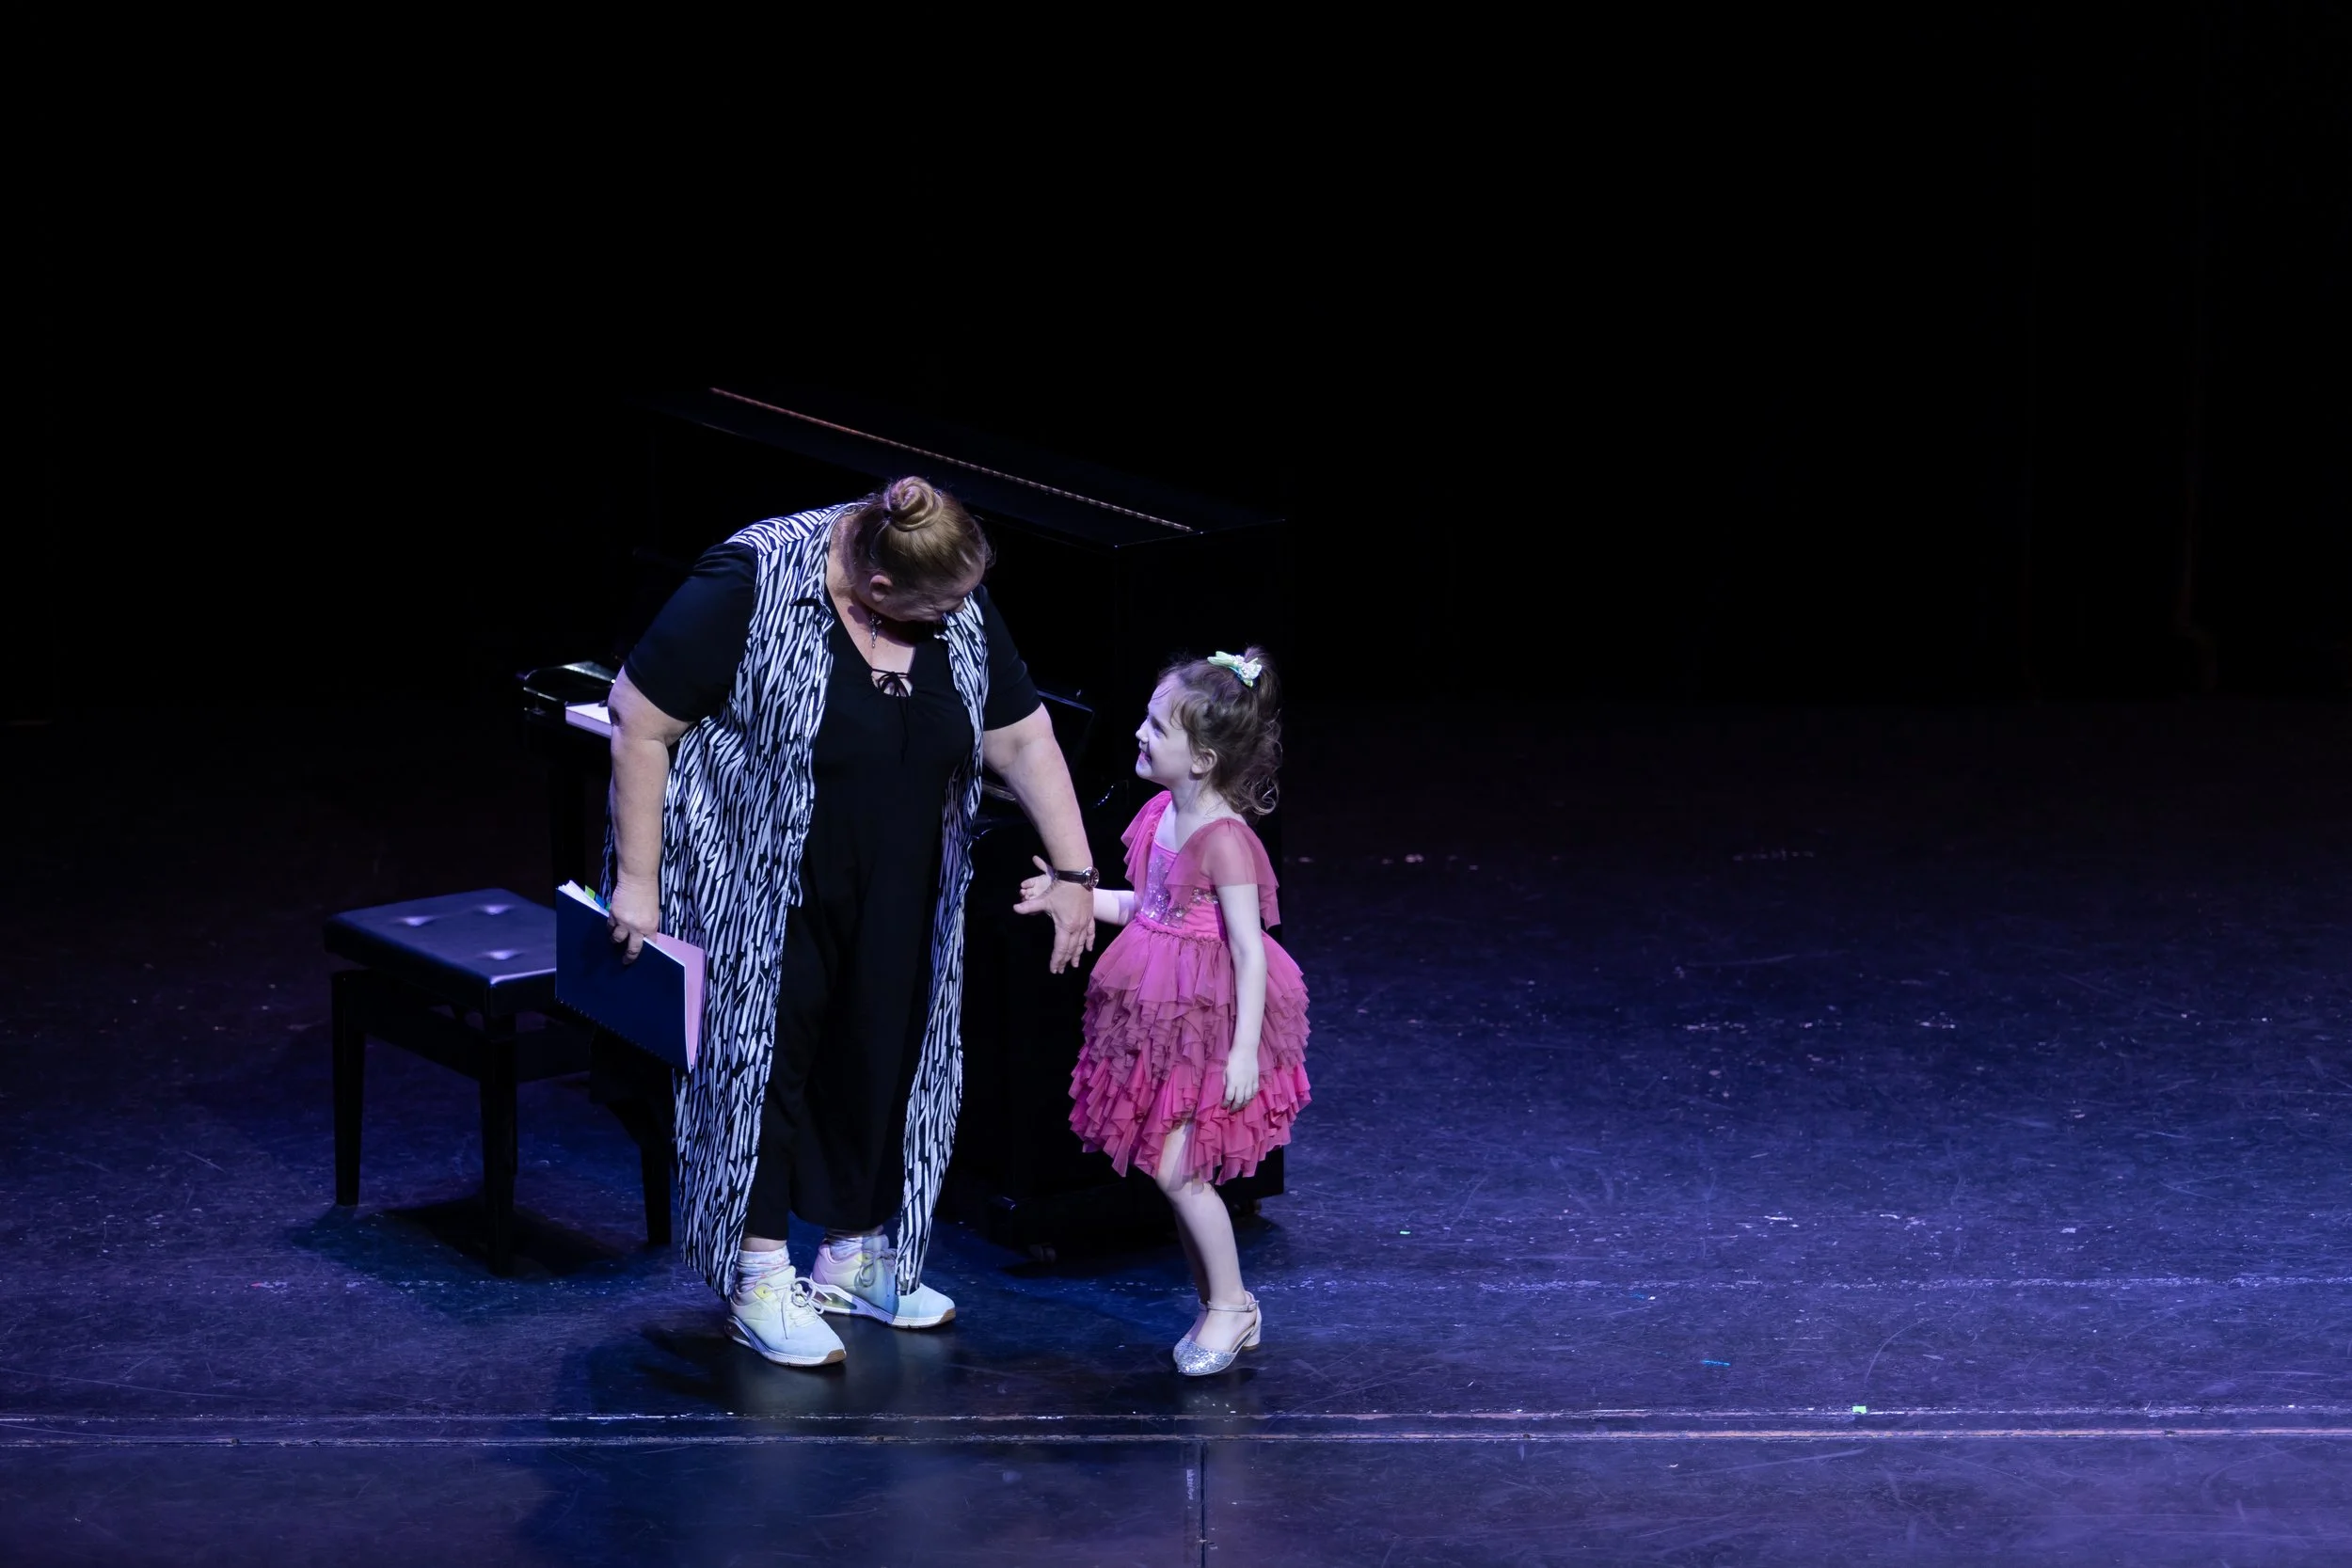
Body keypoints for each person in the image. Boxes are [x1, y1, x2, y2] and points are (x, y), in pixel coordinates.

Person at [606, 476, 1098, 1369]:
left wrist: (1074, 869)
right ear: (876, 589)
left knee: (886, 1051)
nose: (962, 615)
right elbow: (638, 722)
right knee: (763, 1067)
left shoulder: (951, 593)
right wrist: (637, 882)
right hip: (757, 880)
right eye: (942, 604)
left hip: (907, 877)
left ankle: (857, 1251)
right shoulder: (751, 579)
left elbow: (1022, 735)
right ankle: (757, 1272)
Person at [1016, 646, 1310, 1374]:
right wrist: (1069, 890)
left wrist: (1243, 1050)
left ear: (1203, 757)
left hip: (1208, 1015)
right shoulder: (1158, 814)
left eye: (1157, 726)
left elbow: (1247, 950)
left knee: (1181, 1169)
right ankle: (1219, 1301)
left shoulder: (1227, 843)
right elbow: (1144, 908)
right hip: (1156, 1003)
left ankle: (1233, 1305)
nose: (1140, 734)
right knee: (1169, 1167)